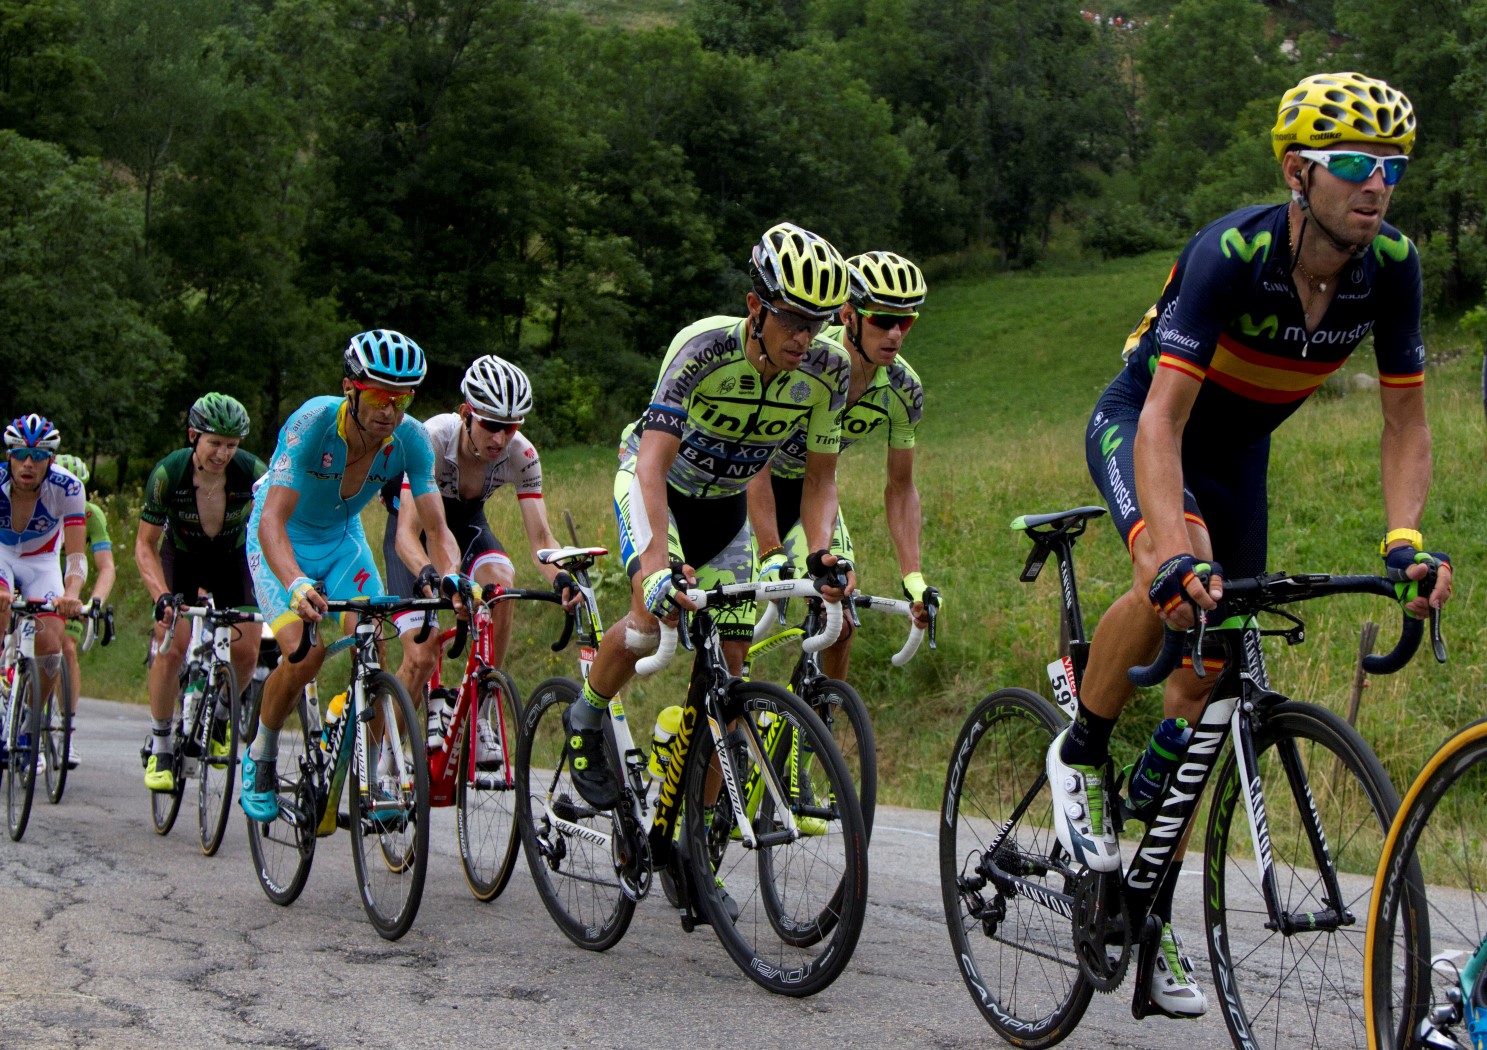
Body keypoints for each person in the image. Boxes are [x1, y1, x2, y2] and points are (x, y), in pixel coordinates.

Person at [1049, 72, 1453, 1019]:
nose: (1375, 185)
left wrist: (1403, 541)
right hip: (1147, 426)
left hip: (1238, 456)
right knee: (1173, 572)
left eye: (1391, 167)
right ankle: (1082, 745)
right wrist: (1172, 553)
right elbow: (1160, 421)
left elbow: (1405, 424)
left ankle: (1142, 905)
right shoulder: (1231, 251)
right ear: (1295, 171)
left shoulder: (1390, 265)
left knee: (1205, 693)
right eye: (1353, 164)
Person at [563, 221, 854, 813]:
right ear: (755, 306)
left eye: (816, 323)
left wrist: (820, 550)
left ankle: (690, 830)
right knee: (648, 622)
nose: (804, 337)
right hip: (659, 491)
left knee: (732, 666)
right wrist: (656, 565)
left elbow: (821, 480)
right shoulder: (701, 348)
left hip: (727, 507)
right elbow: (650, 467)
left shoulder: (829, 371)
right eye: (791, 318)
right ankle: (585, 717)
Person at [239, 329, 467, 822]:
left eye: (403, 397)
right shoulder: (313, 422)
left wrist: (452, 575)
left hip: (344, 542)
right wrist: (297, 582)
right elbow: (271, 522)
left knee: (372, 635)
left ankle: (376, 773)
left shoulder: (410, 440)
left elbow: (437, 527)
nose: (392, 409)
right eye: (381, 396)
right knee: (305, 653)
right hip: (281, 541)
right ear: (351, 388)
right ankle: (261, 751)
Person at [748, 250, 937, 681]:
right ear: (848, 315)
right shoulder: (802, 358)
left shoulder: (904, 388)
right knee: (733, 631)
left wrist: (913, 577)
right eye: (882, 320)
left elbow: (901, 488)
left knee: (841, 619)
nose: (894, 334)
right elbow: (750, 451)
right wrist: (770, 548)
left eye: (905, 322)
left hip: (809, 492)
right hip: (748, 486)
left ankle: (821, 723)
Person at [381, 354, 579, 764]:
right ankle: (386, 758)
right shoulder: (432, 438)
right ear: (465, 413)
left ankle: (483, 712)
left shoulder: (521, 455)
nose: (501, 439)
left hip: (468, 523)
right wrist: (431, 577)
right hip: (415, 531)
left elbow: (541, 537)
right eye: (491, 424)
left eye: (512, 426)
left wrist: (561, 577)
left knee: (500, 587)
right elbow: (406, 535)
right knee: (421, 656)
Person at [135, 394, 266, 792]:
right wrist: (161, 596)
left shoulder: (252, 472)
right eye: (214, 443)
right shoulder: (168, 474)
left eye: (231, 444)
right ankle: (160, 745)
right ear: (194, 436)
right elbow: (145, 546)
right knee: (172, 644)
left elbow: (275, 526)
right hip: (184, 559)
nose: (223, 453)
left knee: (247, 652)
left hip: (233, 559)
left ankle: (223, 716)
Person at [0, 415, 86, 755]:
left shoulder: (69, 487)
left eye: (38, 457)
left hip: (42, 561)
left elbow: (76, 556)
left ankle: (29, 721)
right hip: (2, 554)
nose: (28, 464)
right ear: (9, 456)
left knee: (51, 643)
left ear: (50, 459)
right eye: (20, 454)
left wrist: (72, 595)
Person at [51, 453, 116, 769]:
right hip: (34, 580)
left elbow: (105, 567)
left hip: (68, 590)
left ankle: (66, 730)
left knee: (67, 648)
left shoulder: (90, 515)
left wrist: (97, 603)